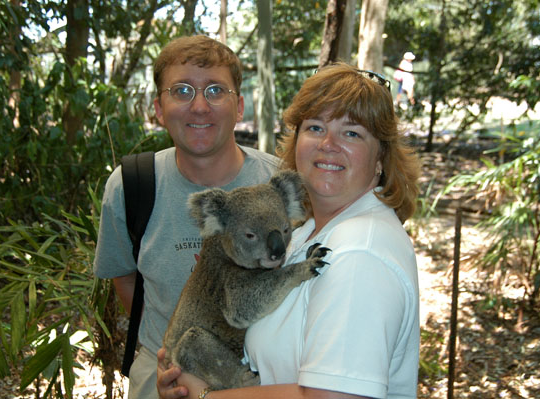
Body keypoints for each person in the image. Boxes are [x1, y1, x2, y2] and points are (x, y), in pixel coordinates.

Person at [157, 62, 422, 399]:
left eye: (352, 133)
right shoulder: (307, 233)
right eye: (315, 127)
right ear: (296, 141)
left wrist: (204, 396)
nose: (328, 143)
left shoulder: (360, 254)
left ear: (381, 157)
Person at [93, 35, 280, 399]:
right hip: (165, 367)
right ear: (159, 109)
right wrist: (175, 345)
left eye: (215, 91)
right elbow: (125, 278)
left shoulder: (276, 184)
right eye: (181, 91)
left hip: (263, 372)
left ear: (239, 106)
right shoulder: (131, 186)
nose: (199, 106)